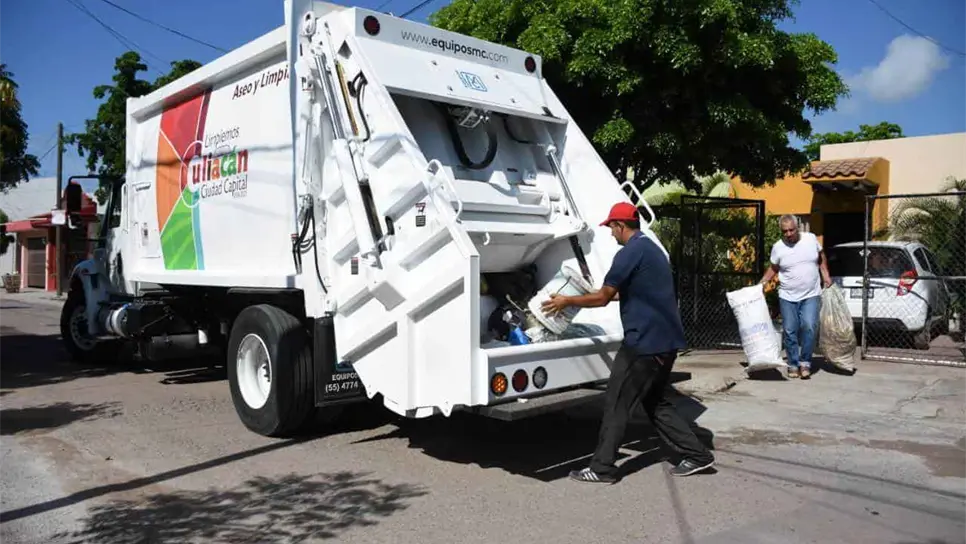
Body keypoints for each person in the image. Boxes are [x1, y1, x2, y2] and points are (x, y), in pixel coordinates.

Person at [541, 201, 715, 484]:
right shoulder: (651, 249)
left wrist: (567, 301)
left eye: (611, 228)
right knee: (654, 402)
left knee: (616, 403)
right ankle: (697, 455)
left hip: (643, 344)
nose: (611, 234)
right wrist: (596, 294)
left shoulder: (629, 253)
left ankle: (602, 468)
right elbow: (634, 291)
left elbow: (603, 298)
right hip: (666, 342)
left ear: (621, 225)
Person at [759, 214, 832, 379]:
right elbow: (774, 267)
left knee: (809, 326)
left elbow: (821, 256)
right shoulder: (778, 247)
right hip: (787, 295)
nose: (788, 234)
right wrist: (762, 283)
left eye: (791, 230)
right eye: (784, 231)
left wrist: (825, 274)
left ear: (797, 227)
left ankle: (805, 362)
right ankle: (793, 364)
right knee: (790, 330)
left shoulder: (810, 239)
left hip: (811, 294)